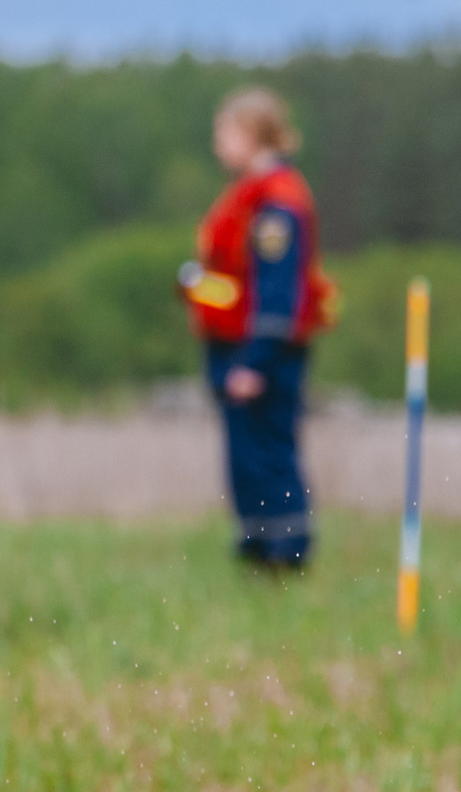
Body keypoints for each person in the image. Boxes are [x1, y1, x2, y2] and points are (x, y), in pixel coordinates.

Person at [181, 86, 336, 571]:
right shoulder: (250, 195)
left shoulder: (276, 204)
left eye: (224, 133)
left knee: (269, 452)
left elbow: (276, 289)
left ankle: (285, 557)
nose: (218, 145)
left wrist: (256, 360)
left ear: (251, 133)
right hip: (235, 346)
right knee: (247, 455)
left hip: (260, 351)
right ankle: (256, 550)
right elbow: (238, 280)